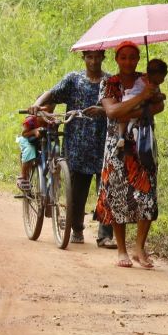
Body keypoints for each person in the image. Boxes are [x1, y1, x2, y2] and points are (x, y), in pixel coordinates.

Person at [28, 50, 114, 247]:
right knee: (77, 189)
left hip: (103, 140)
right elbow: (53, 93)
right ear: (83, 58)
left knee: (107, 188)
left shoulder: (110, 81)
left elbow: (116, 106)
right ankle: (76, 228)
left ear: (103, 57)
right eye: (89, 57)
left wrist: (102, 111)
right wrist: (36, 104)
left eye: (97, 56)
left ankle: (105, 235)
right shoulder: (73, 79)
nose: (93, 61)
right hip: (77, 142)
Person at [96, 41, 166, 269]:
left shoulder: (146, 80)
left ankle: (139, 248)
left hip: (142, 145)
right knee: (118, 196)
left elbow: (159, 106)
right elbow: (112, 111)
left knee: (147, 197)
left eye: (132, 57)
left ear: (138, 59)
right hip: (117, 147)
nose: (128, 61)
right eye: (123, 57)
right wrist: (141, 99)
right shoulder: (109, 82)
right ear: (116, 60)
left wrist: (140, 103)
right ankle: (122, 250)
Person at [117, 58, 168, 146]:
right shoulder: (151, 85)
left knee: (125, 120)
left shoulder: (142, 78)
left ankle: (122, 136)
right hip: (134, 101)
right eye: (161, 78)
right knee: (130, 118)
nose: (162, 81)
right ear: (152, 75)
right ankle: (133, 130)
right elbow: (153, 99)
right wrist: (162, 96)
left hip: (127, 99)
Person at [15, 106, 52, 191]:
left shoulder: (51, 120)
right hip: (28, 139)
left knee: (51, 150)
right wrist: (35, 131)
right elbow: (24, 134)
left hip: (42, 141)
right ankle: (23, 177)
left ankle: (52, 177)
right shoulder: (30, 120)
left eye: (50, 111)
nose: (47, 113)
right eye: (44, 110)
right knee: (30, 150)